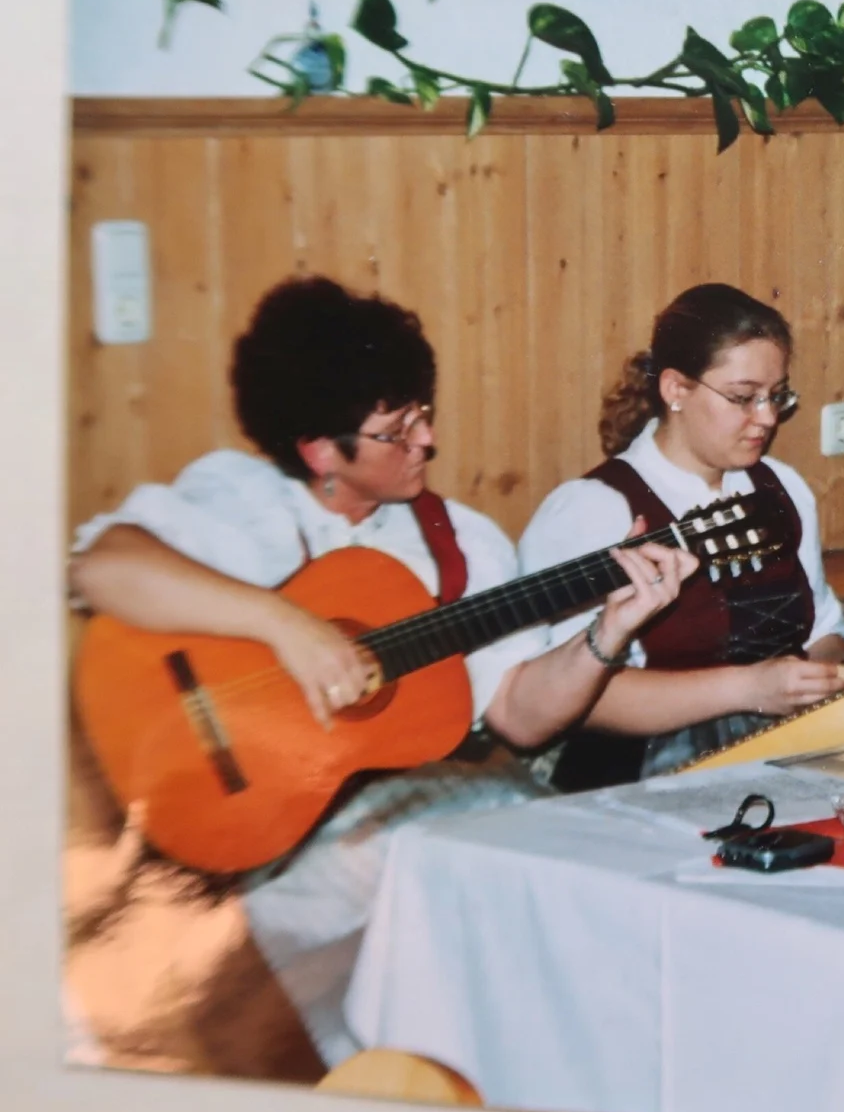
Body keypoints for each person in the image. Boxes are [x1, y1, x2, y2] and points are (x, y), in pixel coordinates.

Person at [66, 276, 698, 1064]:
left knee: (550, 857)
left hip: (403, 823)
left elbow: (519, 716)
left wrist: (610, 631)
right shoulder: (249, 502)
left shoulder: (459, 542)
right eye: (398, 431)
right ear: (320, 451)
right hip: (270, 833)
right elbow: (105, 567)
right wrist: (287, 627)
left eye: (424, 416)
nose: (426, 443)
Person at [517, 283, 844, 790]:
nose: (766, 417)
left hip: (777, 755)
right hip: (643, 775)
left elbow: (822, 635)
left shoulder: (783, 488)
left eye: (776, 395)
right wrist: (748, 688)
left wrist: (838, 674)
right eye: (743, 397)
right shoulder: (594, 509)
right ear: (675, 389)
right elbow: (576, 700)